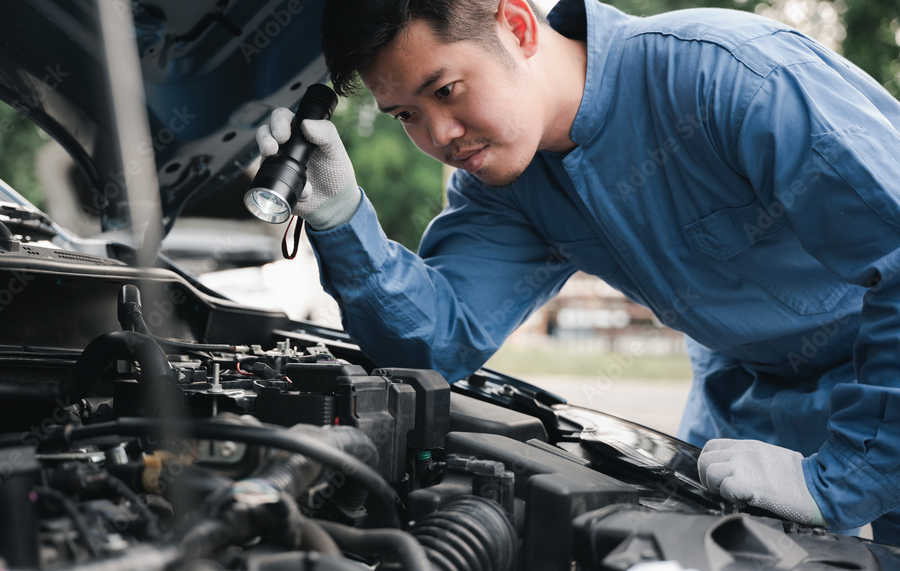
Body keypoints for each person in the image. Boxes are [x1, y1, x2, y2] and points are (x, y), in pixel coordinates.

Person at [255, 0, 900, 543]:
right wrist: (340, 218)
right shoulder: (506, 186)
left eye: (445, 91)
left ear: (517, 25)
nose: (440, 135)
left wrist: (841, 481)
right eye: (407, 116)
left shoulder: (731, 78)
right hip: (748, 412)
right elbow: (431, 347)